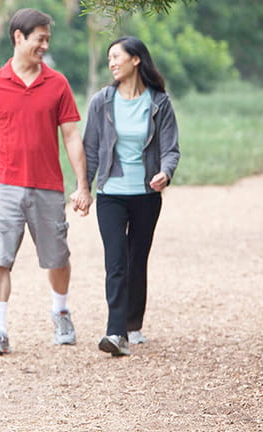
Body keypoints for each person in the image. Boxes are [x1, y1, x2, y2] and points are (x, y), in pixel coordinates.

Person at [0, 8, 92, 356]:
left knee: (57, 258)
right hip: (4, 185)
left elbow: (71, 136)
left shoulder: (57, 84)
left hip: (47, 186)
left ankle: (61, 312)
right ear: (18, 37)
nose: (44, 45)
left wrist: (82, 184)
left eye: (47, 39)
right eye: (40, 38)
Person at [83, 36, 180, 357]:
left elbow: (170, 148)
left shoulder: (159, 102)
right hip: (111, 193)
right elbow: (91, 149)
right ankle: (116, 332)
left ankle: (133, 323)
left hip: (146, 194)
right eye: (109, 58)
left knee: (137, 260)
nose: (111, 63)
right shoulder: (102, 101)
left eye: (117, 57)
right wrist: (84, 186)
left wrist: (165, 172)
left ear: (136, 60)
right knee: (116, 261)